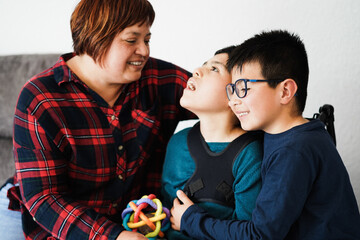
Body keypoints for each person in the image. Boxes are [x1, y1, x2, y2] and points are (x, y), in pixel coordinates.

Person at [0, 0, 195, 239]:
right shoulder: (40, 99)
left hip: (132, 218)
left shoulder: (158, 78)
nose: (144, 51)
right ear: (96, 38)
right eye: (132, 40)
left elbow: (222, 98)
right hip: (42, 215)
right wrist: (113, 237)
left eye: (147, 39)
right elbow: (44, 199)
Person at [170, 30, 360, 239]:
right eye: (232, 90)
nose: (234, 100)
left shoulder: (294, 151)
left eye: (243, 88)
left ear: (285, 91)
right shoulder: (293, 135)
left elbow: (259, 235)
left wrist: (191, 220)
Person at [162, 46, 263, 239]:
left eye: (214, 69)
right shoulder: (178, 143)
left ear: (237, 93)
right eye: (203, 65)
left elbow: (248, 232)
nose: (197, 71)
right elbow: (167, 211)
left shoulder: (249, 154)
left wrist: (192, 221)